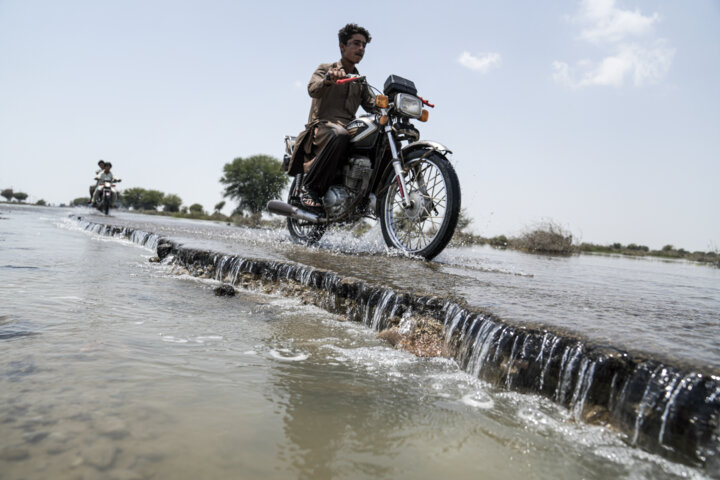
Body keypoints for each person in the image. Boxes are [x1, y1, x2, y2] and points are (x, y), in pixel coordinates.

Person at [287, 23, 376, 210]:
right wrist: (328, 79)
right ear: (342, 46)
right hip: (321, 128)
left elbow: (373, 104)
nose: (361, 49)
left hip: (349, 129)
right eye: (356, 43)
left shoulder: (360, 81)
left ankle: (370, 194)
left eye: (364, 46)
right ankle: (310, 190)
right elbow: (313, 89)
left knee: (377, 137)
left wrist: (393, 104)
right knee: (340, 134)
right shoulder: (326, 68)